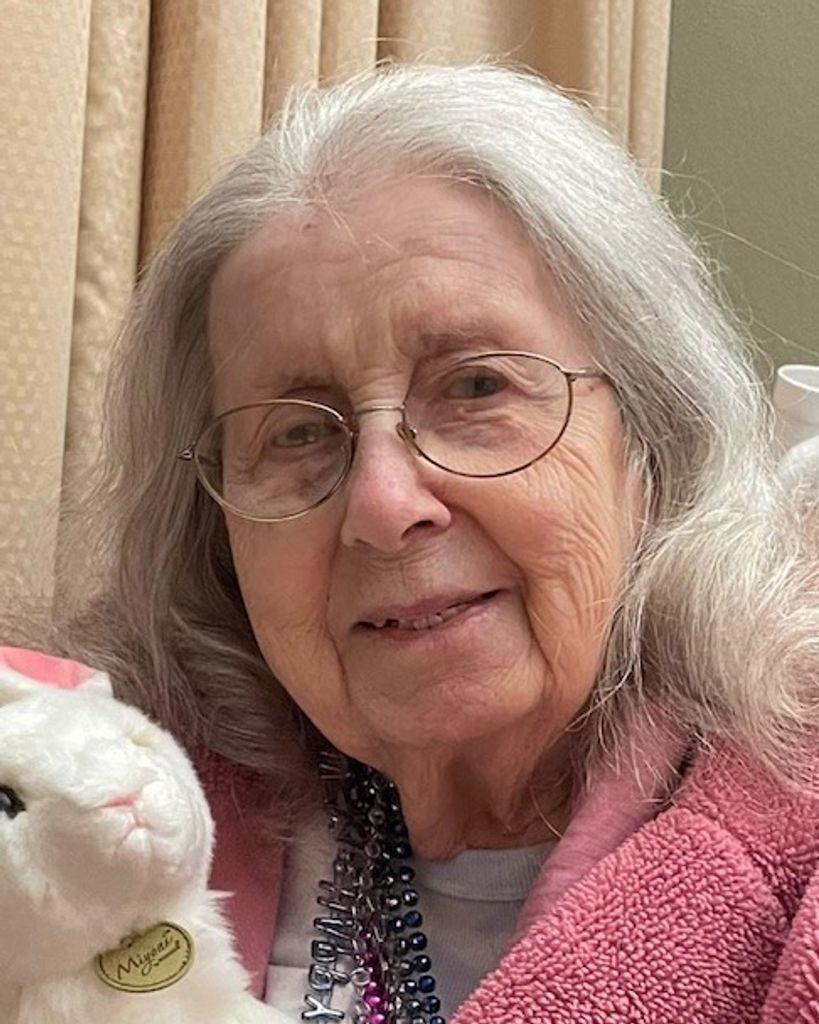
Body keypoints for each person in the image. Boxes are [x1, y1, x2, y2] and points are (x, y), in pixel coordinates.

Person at [52, 64, 819, 1022]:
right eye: (297, 433)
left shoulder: (790, 839)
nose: (383, 504)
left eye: (476, 387)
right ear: (219, 537)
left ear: (650, 439)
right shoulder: (73, 831)